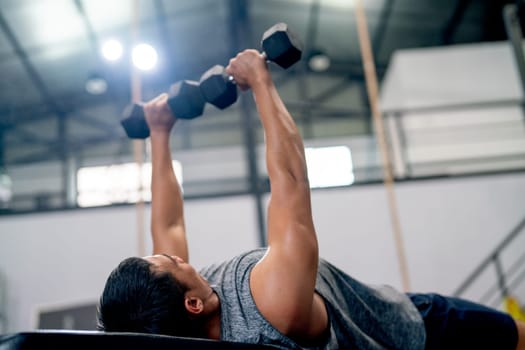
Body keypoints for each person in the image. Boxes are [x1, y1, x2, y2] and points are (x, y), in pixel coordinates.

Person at [98, 49, 525, 350]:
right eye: (168, 262)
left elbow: (169, 226)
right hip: (418, 332)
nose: (173, 256)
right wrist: (261, 82)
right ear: (192, 303)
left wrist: (160, 133)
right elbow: (291, 184)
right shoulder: (270, 304)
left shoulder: (178, 322)